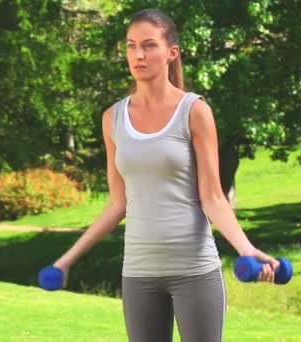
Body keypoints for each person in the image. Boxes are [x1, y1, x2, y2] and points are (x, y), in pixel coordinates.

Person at [52, 8, 279, 342]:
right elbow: (117, 204)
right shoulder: (113, 118)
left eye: (149, 45)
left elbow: (213, 197)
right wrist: (67, 259)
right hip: (139, 274)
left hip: (194, 271)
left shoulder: (194, 111)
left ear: (172, 53)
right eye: (131, 46)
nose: (138, 55)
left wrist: (247, 249)